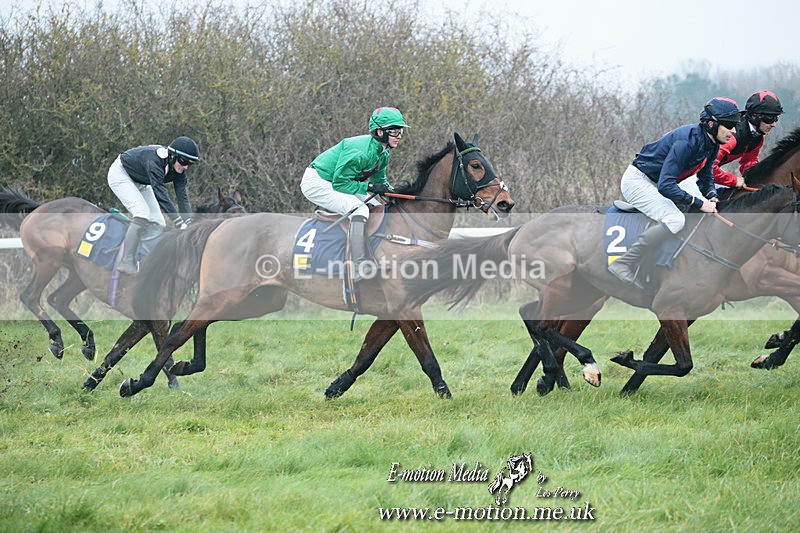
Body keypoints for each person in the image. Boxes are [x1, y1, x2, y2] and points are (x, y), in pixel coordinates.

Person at [608, 97, 741, 287]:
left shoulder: (712, 143)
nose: (734, 131)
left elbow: (704, 177)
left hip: (665, 179)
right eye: (729, 125)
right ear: (711, 123)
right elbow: (665, 186)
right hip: (639, 181)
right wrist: (700, 203)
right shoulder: (687, 142)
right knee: (675, 219)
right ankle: (624, 262)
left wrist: (711, 195)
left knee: (703, 206)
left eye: (735, 125)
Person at [300, 106, 409, 281]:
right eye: (395, 131)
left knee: (377, 207)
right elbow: (340, 183)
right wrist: (371, 186)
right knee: (360, 210)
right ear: (380, 132)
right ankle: (359, 266)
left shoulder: (384, 152)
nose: (399, 136)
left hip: (340, 181)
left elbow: (380, 182)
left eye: (400, 131)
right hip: (317, 181)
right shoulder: (360, 152)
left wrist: (394, 195)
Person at [108, 135, 200, 273]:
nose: (185, 166)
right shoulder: (155, 162)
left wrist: (189, 222)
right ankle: (126, 261)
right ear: (172, 156)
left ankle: (143, 256)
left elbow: (182, 197)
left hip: (142, 181)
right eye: (183, 161)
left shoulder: (179, 171)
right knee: (142, 213)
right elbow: (161, 196)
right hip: (121, 174)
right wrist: (179, 222)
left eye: (189, 164)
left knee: (159, 222)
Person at [712, 90, 784, 190]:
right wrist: (734, 180)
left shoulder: (757, 136)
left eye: (776, 118)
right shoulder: (732, 136)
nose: (773, 124)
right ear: (754, 116)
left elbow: (749, 160)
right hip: (690, 171)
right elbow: (709, 168)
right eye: (770, 118)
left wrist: (756, 177)